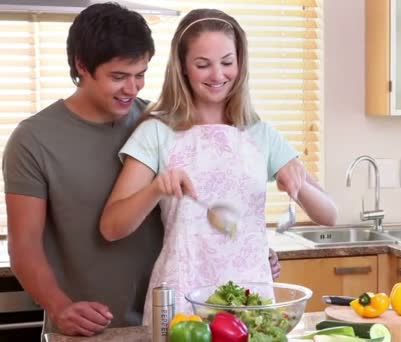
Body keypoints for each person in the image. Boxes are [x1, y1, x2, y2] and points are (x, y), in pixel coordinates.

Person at [0, 3, 280, 338]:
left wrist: (246, 249)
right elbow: (24, 246)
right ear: (81, 66)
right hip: (87, 327)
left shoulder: (161, 123)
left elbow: (201, 207)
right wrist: (59, 305)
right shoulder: (33, 140)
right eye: (118, 77)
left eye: (140, 75)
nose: (132, 89)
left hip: (172, 320)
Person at [99, 8, 338, 326]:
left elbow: (329, 215)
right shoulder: (157, 132)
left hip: (252, 300)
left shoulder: (260, 134)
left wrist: (299, 185)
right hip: (183, 297)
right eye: (203, 64)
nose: (217, 75)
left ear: (240, 62)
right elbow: (112, 227)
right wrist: (156, 188)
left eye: (227, 62)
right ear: (182, 67)